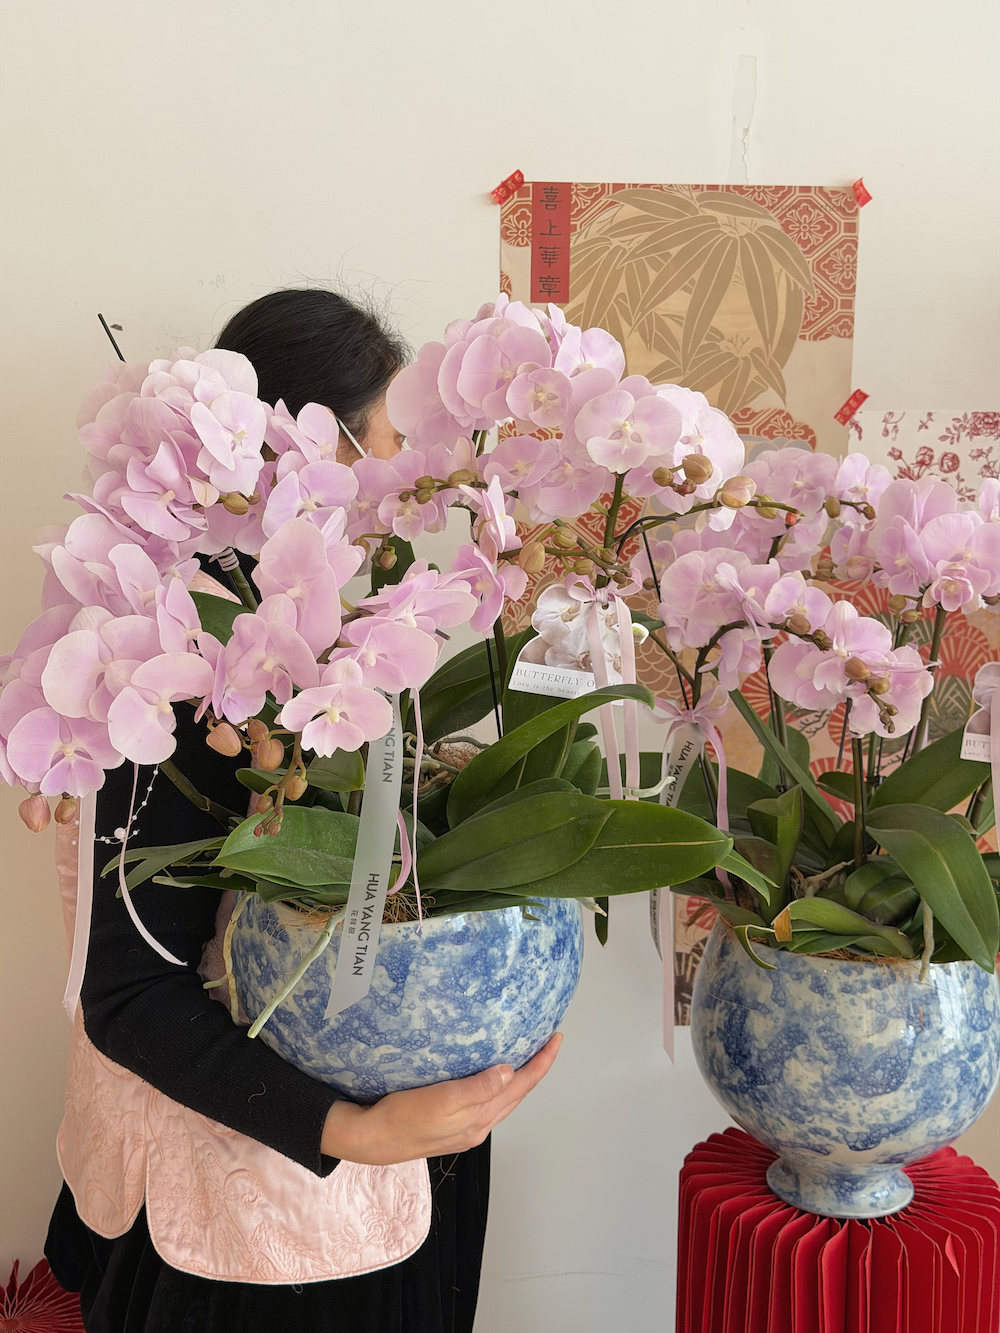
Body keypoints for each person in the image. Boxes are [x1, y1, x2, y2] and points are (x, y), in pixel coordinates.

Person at [44, 288, 562, 1333]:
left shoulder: (336, 623)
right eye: (393, 443)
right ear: (312, 448)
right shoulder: (184, 655)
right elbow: (129, 989)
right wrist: (351, 1130)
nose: (408, 476)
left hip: (390, 1172)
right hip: (253, 1222)